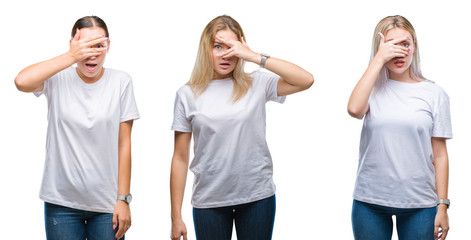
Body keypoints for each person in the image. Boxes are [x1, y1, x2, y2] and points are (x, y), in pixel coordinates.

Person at [170, 15, 314, 240]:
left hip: (257, 197)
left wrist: (255, 57)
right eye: (218, 46)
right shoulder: (187, 94)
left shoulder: (257, 83)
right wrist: (175, 216)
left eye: (232, 47)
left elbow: (305, 80)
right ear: (205, 49)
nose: (226, 54)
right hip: (210, 200)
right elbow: (179, 157)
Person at [14, 16, 139, 240]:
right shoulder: (57, 78)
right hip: (61, 203)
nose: (91, 53)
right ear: (72, 44)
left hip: (107, 203)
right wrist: (71, 56)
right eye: (84, 46)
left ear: (108, 46)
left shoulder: (121, 82)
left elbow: (124, 144)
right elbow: (22, 81)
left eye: (98, 45)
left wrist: (123, 198)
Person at [347, 15, 452, 240]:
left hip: (420, 204)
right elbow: (355, 109)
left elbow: (440, 155)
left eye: (405, 44)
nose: (399, 51)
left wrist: (442, 205)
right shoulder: (371, 87)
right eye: (391, 45)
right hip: (370, 202)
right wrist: (378, 60)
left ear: (414, 47)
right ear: (380, 48)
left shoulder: (435, 94)